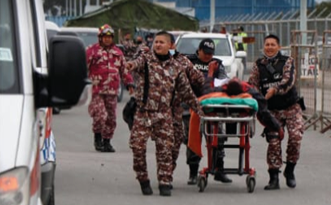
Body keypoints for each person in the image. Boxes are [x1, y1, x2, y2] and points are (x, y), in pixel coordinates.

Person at [126, 31, 204, 196]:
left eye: (162, 42)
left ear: (170, 46)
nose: (158, 45)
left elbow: (186, 92)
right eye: (156, 42)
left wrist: (200, 108)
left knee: (166, 151)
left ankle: (165, 181)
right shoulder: (146, 60)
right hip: (144, 113)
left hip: (164, 114)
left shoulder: (176, 66)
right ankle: (143, 179)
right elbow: (135, 63)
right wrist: (130, 65)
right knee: (137, 147)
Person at [248, 34, 304, 190]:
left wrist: (275, 89)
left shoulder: (288, 61)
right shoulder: (258, 65)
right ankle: (274, 178)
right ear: (263, 47)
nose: (270, 47)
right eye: (267, 44)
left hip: (291, 107)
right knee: (273, 142)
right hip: (272, 111)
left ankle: (290, 170)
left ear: (278, 47)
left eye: (273, 44)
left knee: (295, 137)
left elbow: (288, 81)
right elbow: (253, 86)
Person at [185, 38, 231, 185]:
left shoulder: (217, 64)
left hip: (212, 105)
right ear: (198, 50)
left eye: (211, 53)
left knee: (219, 137)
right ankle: (193, 172)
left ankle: (219, 169)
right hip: (192, 105)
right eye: (205, 53)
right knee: (192, 137)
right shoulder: (188, 61)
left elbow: (223, 82)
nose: (208, 56)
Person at [86, 24, 134, 152]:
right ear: (100, 37)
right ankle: (97, 138)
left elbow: (124, 70)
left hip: (112, 91)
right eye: (104, 37)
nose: (107, 39)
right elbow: (82, 67)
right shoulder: (92, 51)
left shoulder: (117, 53)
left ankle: (107, 141)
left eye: (109, 37)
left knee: (111, 118)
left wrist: (129, 83)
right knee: (100, 115)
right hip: (97, 90)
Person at [168, 34, 205, 186]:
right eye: (157, 42)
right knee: (164, 144)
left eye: (165, 43)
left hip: (180, 107)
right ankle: (164, 175)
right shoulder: (150, 61)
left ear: (173, 45)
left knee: (183, 140)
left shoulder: (183, 62)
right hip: (158, 110)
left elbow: (200, 81)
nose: (160, 46)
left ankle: (170, 175)